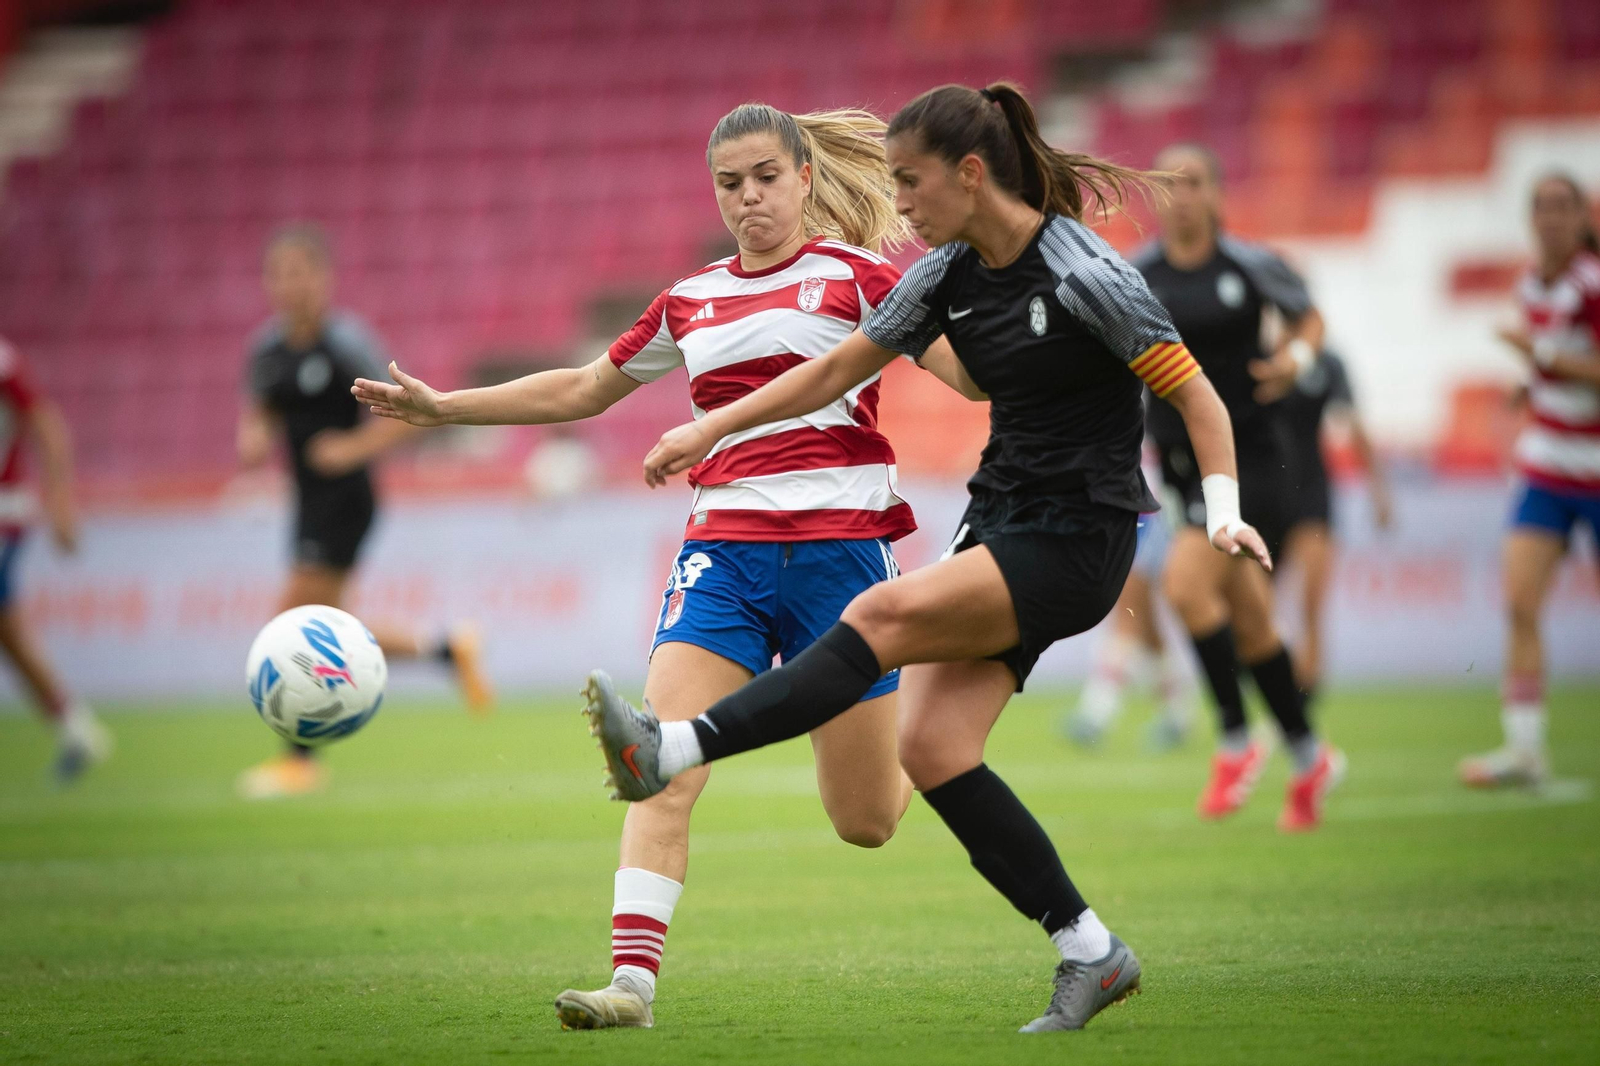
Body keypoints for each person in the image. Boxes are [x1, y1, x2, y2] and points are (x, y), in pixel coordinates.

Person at [581, 81, 1273, 1033]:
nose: (898, 204)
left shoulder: (1085, 273)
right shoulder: (944, 274)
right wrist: (712, 429)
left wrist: (1225, 512)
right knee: (932, 750)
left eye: (911, 183)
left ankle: (675, 746)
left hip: (1081, 532)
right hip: (999, 520)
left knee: (877, 615)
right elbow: (834, 369)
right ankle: (1091, 952)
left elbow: (1196, 397)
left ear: (970, 173)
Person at [354, 103, 986, 1032]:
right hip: (721, 561)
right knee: (658, 764)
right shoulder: (691, 299)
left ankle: (927, 701)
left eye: (766, 178)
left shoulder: (860, 278)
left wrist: (1005, 306)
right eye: (730, 184)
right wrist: (446, 408)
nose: (749, 198)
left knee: (867, 821)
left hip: (844, 563)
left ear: (806, 177)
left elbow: (969, 377)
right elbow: (583, 388)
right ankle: (632, 986)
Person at [237, 225, 493, 799]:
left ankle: (300, 759)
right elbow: (260, 411)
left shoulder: (346, 344)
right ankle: (447, 649)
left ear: (323, 278)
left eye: (300, 272)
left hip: (346, 501)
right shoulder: (267, 351)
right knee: (329, 623)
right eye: (279, 275)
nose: (290, 286)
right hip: (306, 502)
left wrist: (350, 449)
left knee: (292, 624)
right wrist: (253, 438)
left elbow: (406, 415)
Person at [1133, 143, 1345, 829]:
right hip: (1179, 468)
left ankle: (1234, 737)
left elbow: (1309, 316)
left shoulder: (1249, 265)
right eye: (1169, 184)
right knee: (1252, 624)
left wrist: (1297, 357)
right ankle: (1309, 755)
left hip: (1250, 460)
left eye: (1193, 182)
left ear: (1218, 193)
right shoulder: (1137, 275)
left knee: (1184, 587)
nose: (1181, 195)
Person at [1460, 172, 1600, 788]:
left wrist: (1537, 357)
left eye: (1563, 206)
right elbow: (1556, 363)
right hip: (1546, 467)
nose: (1551, 217)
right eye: (1541, 206)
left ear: (1583, 218)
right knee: (1519, 604)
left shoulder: (1591, 284)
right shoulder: (1530, 284)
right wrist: (1529, 385)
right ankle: (1525, 750)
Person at [0, 338, 109, 782]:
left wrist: (61, 502)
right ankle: (76, 729)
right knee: (9, 634)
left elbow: (46, 423)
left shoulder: (4, 362)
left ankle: (77, 729)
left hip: (4, 512)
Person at [1276, 348, 1393, 696]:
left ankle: (1303, 702)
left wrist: (1378, 489)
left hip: (1312, 493)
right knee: (1259, 604)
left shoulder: (1326, 363)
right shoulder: (1259, 354)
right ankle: (1276, 691)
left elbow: (1352, 424)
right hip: (1266, 493)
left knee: (1311, 603)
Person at [1061, 455, 1195, 751]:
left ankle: (1097, 711)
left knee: (1128, 612)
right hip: (1136, 503)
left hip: (1147, 507)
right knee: (1143, 620)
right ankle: (1177, 713)